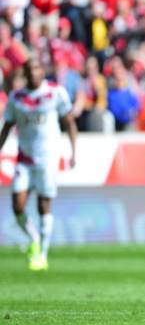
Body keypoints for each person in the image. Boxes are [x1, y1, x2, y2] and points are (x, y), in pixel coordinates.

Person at [0, 58, 77, 270]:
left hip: (48, 158)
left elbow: (69, 122)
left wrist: (73, 151)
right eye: (29, 70)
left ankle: (42, 254)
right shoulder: (16, 98)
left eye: (36, 68)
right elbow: (7, 126)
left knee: (43, 205)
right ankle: (33, 239)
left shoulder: (56, 93)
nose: (33, 73)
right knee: (17, 205)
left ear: (42, 71)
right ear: (25, 74)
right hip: (24, 158)